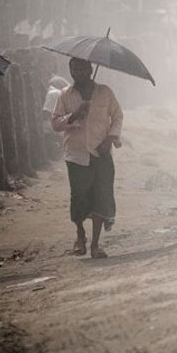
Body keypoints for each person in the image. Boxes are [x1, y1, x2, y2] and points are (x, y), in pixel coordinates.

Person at [51, 58, 123, 259]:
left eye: (82, 68)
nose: (79, 72)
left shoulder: (105, 92)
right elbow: (55, 123)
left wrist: (109, 139)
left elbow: (117, 116)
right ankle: (80, 234)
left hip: (101, 153)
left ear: (90, 69)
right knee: (79, 197)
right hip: (76, 154)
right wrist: (74, 115)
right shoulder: (64, 95)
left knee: (101, 195)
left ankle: (95, 245)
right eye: (74, 69)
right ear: (71, 71)